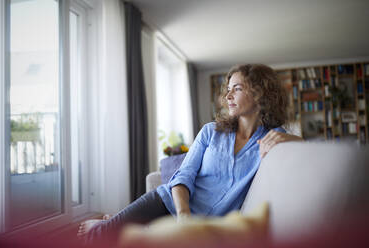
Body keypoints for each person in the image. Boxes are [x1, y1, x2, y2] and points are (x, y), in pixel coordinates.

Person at [78, 64, 303, 246]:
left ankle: (117, 222)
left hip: (206, 226)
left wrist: (294, 139)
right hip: (168, 202)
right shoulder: (211, 131)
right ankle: (104, 225)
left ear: (259, 93)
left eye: (237, 88)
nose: (228, 95)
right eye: (228, 89)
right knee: (99, 238)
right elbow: (183, 175)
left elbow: (306, 153)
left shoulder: (274, 138)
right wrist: (184, 216)